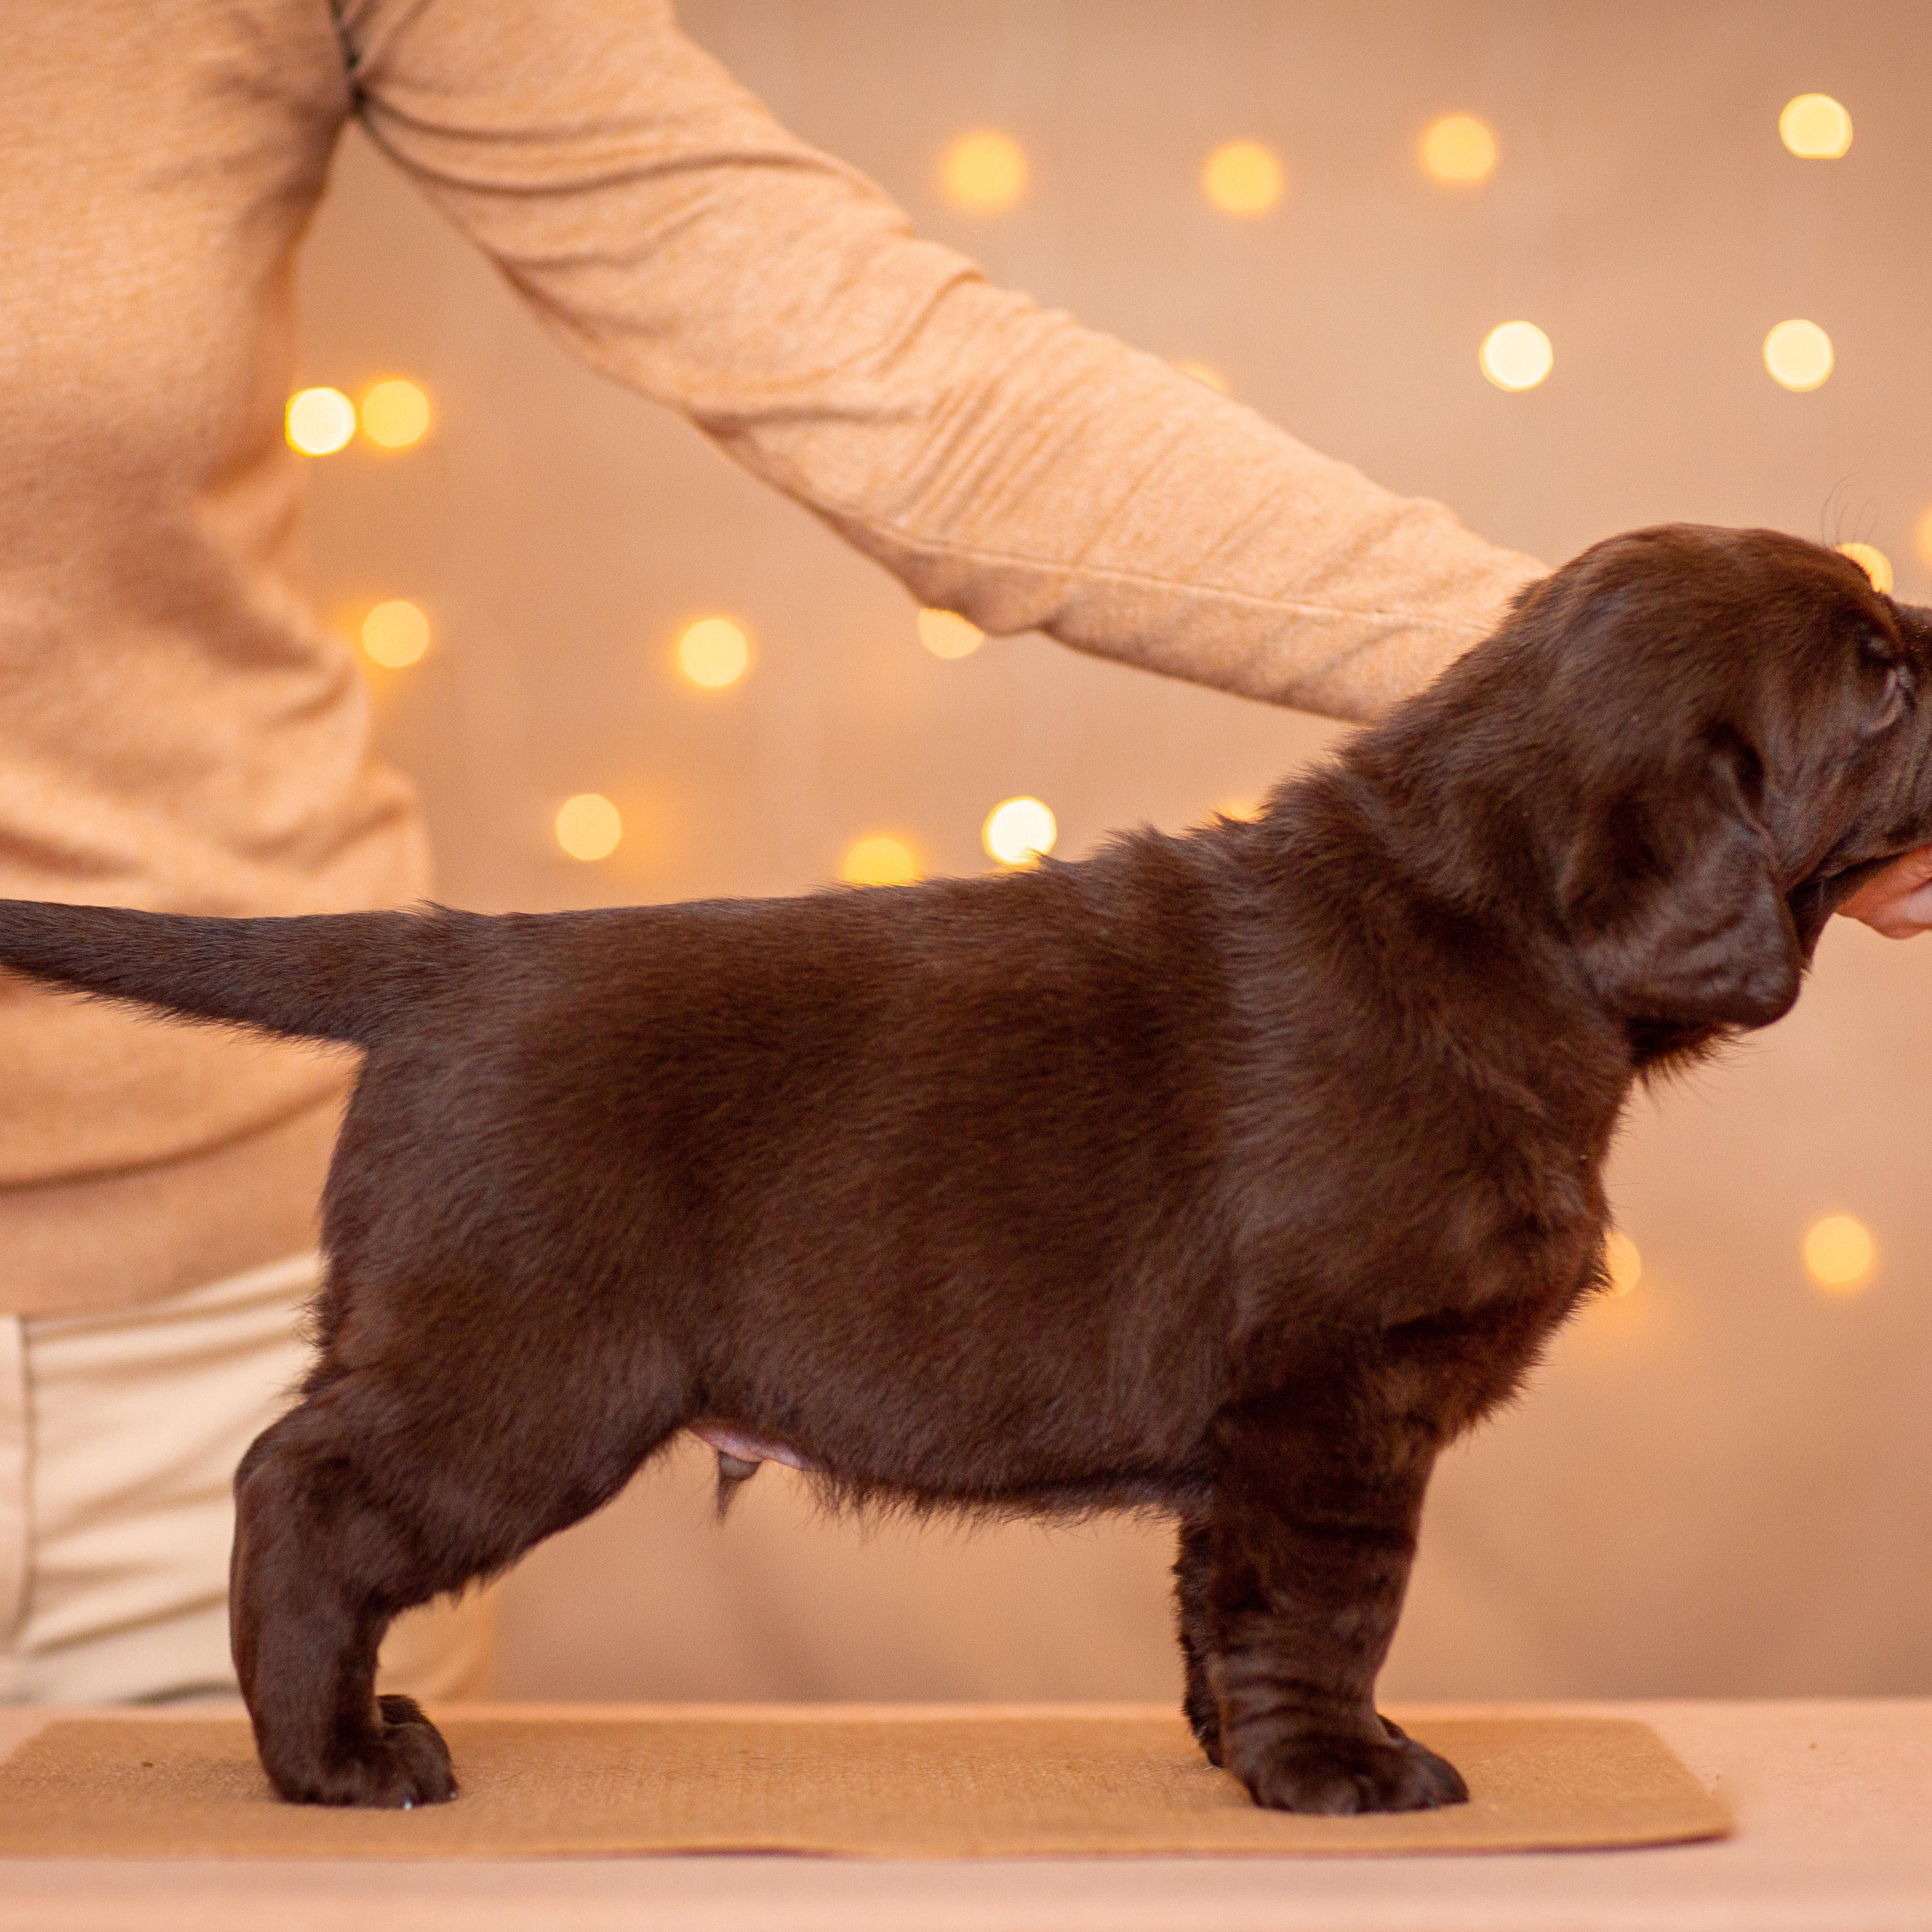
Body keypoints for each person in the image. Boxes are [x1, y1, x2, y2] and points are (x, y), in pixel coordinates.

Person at [2, 0, 1918, 1704]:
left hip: (194, 1290)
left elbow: (924, 392)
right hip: (522, 1153)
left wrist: (1582, 681)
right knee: (443, 1466)